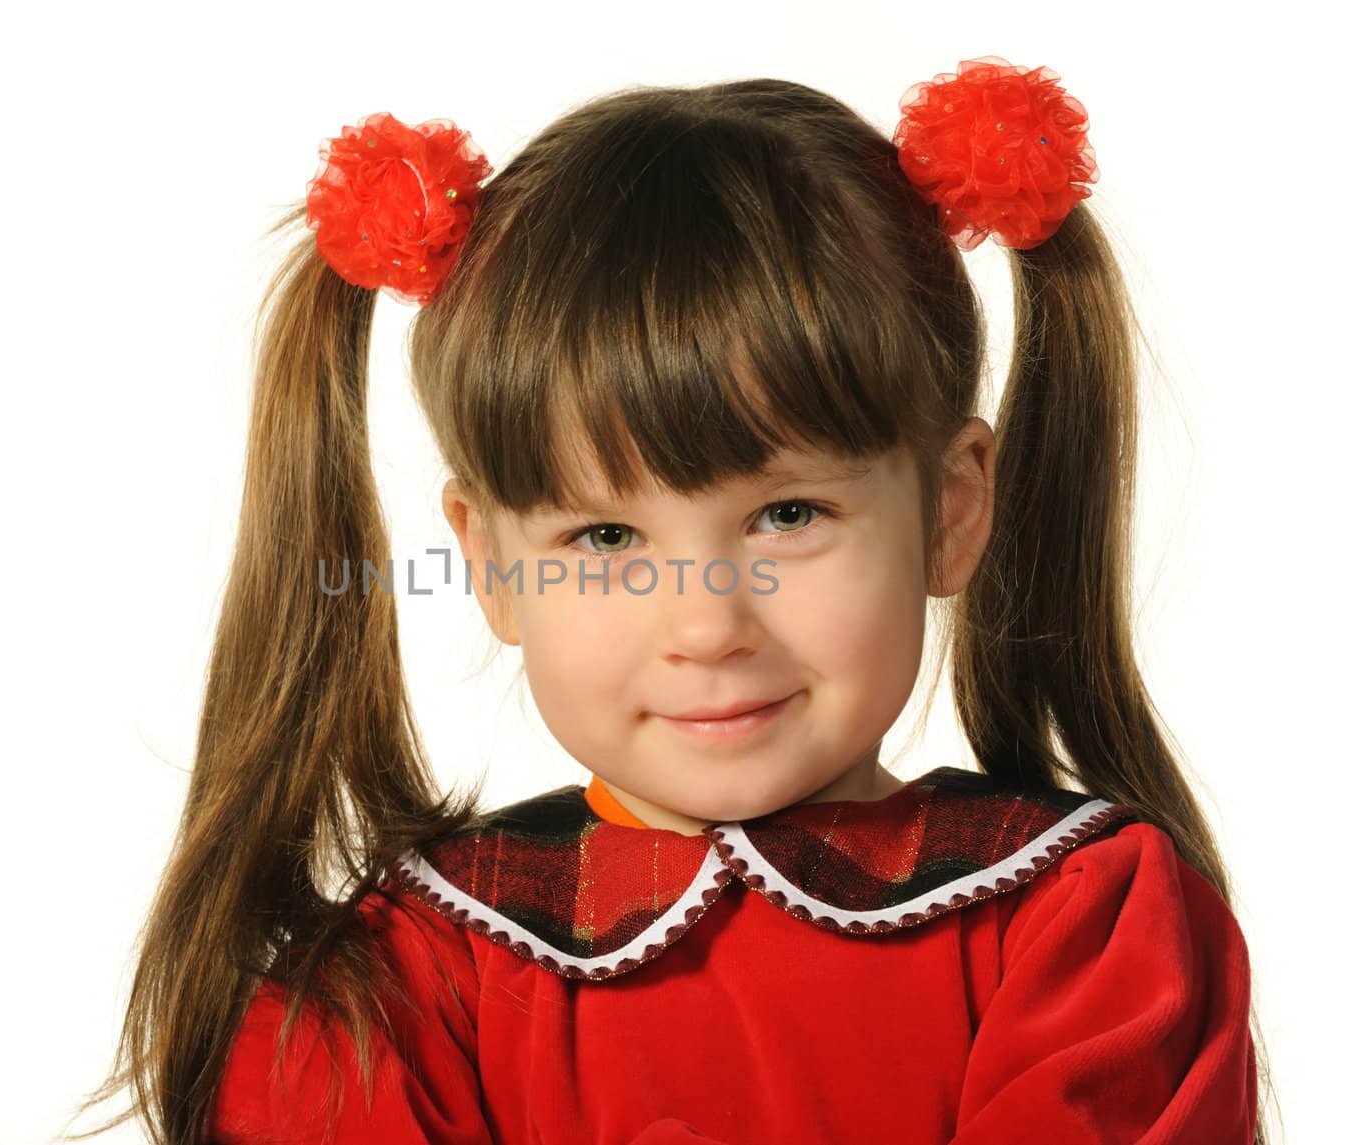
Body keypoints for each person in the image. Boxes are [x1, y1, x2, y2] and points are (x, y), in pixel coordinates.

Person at [68, 57, 1274, 1145]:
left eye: (787, 515)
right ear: (488, 563)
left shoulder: (1085, 931)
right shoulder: (391, 996)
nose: (706, 626)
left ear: (950, 509)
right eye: (604, 535)